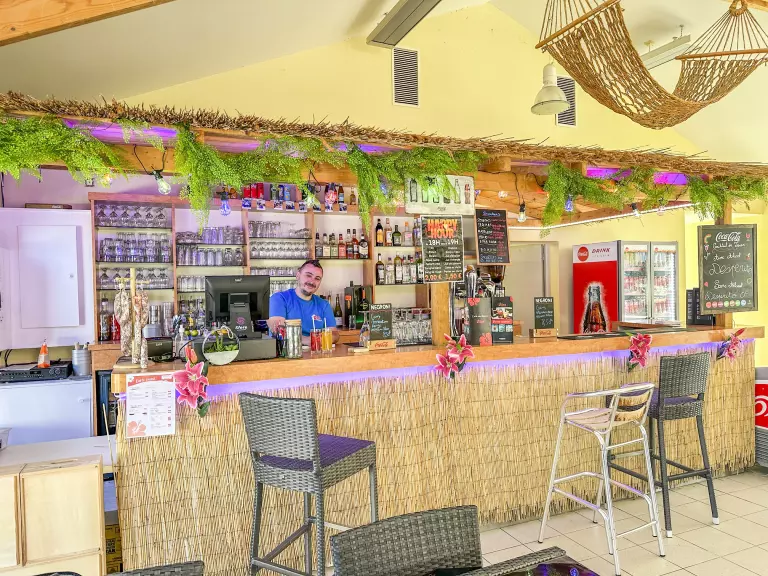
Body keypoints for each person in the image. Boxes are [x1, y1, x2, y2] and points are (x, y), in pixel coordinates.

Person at [267, 259, 339, 345]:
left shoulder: (324, 305)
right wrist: (310, 340)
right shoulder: (279, 299)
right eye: (308, 275)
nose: (312, 281)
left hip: (316, 352)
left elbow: (335, 335)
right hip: (286, 352)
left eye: (317, 278)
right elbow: (278, 331)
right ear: (298, 275)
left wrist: (314, 341)